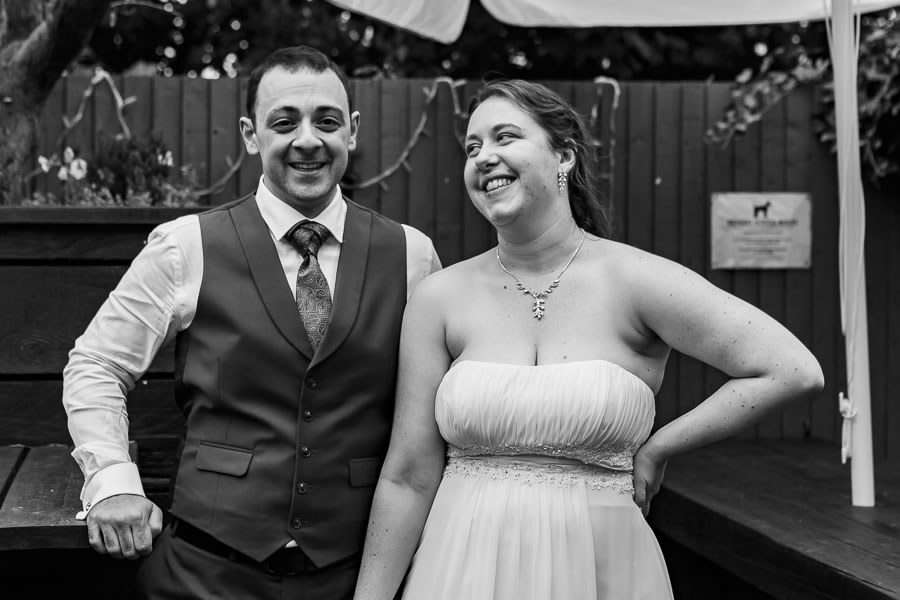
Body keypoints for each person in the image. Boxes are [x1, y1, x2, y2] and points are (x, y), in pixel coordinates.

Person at [352, 79, 825, 600]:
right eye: (472, 147)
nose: (483, 157)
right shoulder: (438, 298)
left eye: (505, 137)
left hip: (603, 569)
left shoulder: (637, 280)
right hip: (458, 569)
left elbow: (790, 369)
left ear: (564, 156)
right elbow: (409, 477)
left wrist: (660, 447)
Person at [62, 45, 440, 600]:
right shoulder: (185, 246)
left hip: (357, 577)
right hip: (203, 573)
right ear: (249, 134)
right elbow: (96, 364)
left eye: (327, 122)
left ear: (352, 131)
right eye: (284, 122)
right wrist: (113, 482)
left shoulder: (412, 255)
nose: (307, 140)